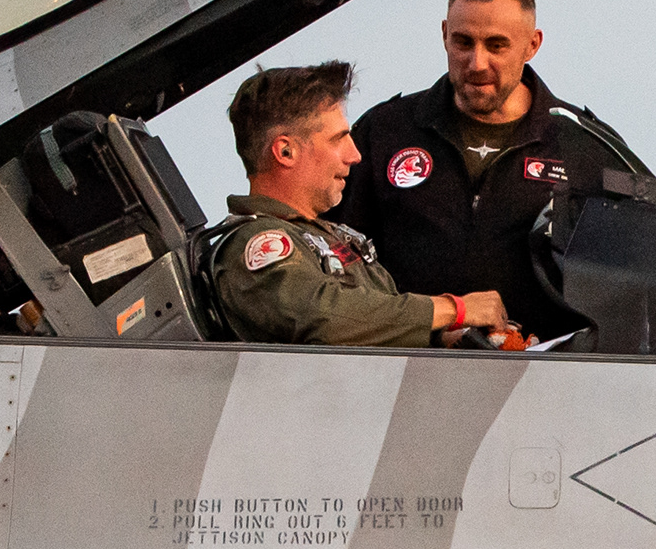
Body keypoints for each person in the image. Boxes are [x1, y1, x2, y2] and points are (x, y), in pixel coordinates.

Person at [334, 0, 649, 332]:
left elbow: (637, 284)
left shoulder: (587, 147)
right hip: (402, 371)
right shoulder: (385, 132)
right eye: (463, 42)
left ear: (532, 45)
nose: (477, 62)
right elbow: (331, 258)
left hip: (542, 378)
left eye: (496, 45)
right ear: (444, 35)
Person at [209, 62, 510, 346]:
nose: (354, 155)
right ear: (286, 152)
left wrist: (442, 337)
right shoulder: (256, 245)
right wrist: (454, 309)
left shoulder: (329, 236)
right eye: (337, 139)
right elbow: (324, 317)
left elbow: (372, 326)